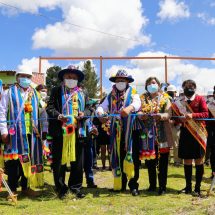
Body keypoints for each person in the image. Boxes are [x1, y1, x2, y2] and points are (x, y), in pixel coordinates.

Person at [96, 70, 141, 196]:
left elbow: (137, 103)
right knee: (118, 157)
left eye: (123, 80)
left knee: (132, 158)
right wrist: (100, 113)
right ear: (115, 82)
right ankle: (120, 184)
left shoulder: (133, 93)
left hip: (131, 132)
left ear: (127, 82)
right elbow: (101, 107)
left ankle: (133, 186)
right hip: (116, 131)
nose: (120, 82)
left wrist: (129, 108)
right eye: (118, 80)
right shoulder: (110, 96)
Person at [0, 70, 44, 199]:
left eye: (28, 76)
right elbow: (2, 112)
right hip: (14, 135)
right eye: (23, 76)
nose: (25, 78)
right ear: (17, 78)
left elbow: (42, 111)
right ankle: (12, 190)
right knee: (13, 163)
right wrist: (3, 132)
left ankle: (26, 187)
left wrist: (44, 129)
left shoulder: (35, 93)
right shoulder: (9, 92)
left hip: (32, 134)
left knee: (29, 161)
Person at [46, 65, 86, 199]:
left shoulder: (82, 93)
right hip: (60, 131)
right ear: (63, 77)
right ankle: (61, 189)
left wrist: (83, 113)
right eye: (68, 76)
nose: (71, 79)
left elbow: (89, 108)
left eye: (74, 77)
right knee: (59, 161)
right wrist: (58, 115)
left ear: (78, 80)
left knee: (78, 162)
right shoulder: (56, 91)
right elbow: (50, 107)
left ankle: (76, 188)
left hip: (78, 131)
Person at [172, 80, 208, 196]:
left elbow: (205, 114)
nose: (189, 89)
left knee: (198, 160)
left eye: (191, 87)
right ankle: (188, 187)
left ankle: (197, 188)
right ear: (183, 88)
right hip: (185, 133)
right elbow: (175, 117)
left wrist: (192, 115)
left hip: (198, 133)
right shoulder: (180, 102)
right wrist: (179, 119)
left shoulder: (200, 99)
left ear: (195, 88)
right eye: (186, 87)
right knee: (187, 160)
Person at [138, 77, 173, 195]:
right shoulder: (142, 98)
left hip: (162, 134)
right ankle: (152, 185)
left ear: (158, 85)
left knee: (163, 162)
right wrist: (141, 115)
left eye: (153, 83)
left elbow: (169, 113)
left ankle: (162, 186)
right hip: (148, 135)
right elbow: (138, 111)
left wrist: (161, 116)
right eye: (149, 83)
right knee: (150, 162)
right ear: (146, 86)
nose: (151, 85)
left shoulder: (166, 98)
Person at [93, 96, 111, 170]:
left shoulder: (111, 109)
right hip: (102, 132)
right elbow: (98, 120)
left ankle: (110, 166)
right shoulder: (99, 110)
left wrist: (108, 119)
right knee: (103, 150)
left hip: (110, 132)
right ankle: (103, 166)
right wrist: (103, 119)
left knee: (110, 150)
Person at [167, 84, 182, 167]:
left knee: (176, 144)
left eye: (172, 92)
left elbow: (181, 114)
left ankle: (177, 161)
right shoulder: (164, 101)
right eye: (169, 92)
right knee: (166, 144)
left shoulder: (178, 102)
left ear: (175, 93)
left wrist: (174, 121)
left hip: (175, 126)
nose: (170, 94)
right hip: (165, 125)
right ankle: (167, 160)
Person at [206, 89, 215, 178]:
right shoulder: (209, 105)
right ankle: (213, 172)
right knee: (213, 153)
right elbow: (206, 118)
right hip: (212, 131)